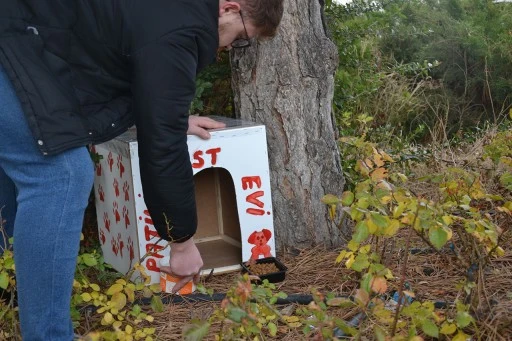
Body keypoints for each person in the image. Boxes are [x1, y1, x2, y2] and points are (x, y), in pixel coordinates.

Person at [0, 0, 284, 339]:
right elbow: (161, 146)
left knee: (17, 173)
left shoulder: (174, 11)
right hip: (13, 40)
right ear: (228, 8)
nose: (227, 47)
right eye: (239, 38)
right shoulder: (184, 27)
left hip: (20, 35)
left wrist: (168, 115)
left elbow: (104, 49)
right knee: (63, 177)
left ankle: (9, 292)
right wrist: (181, 242)